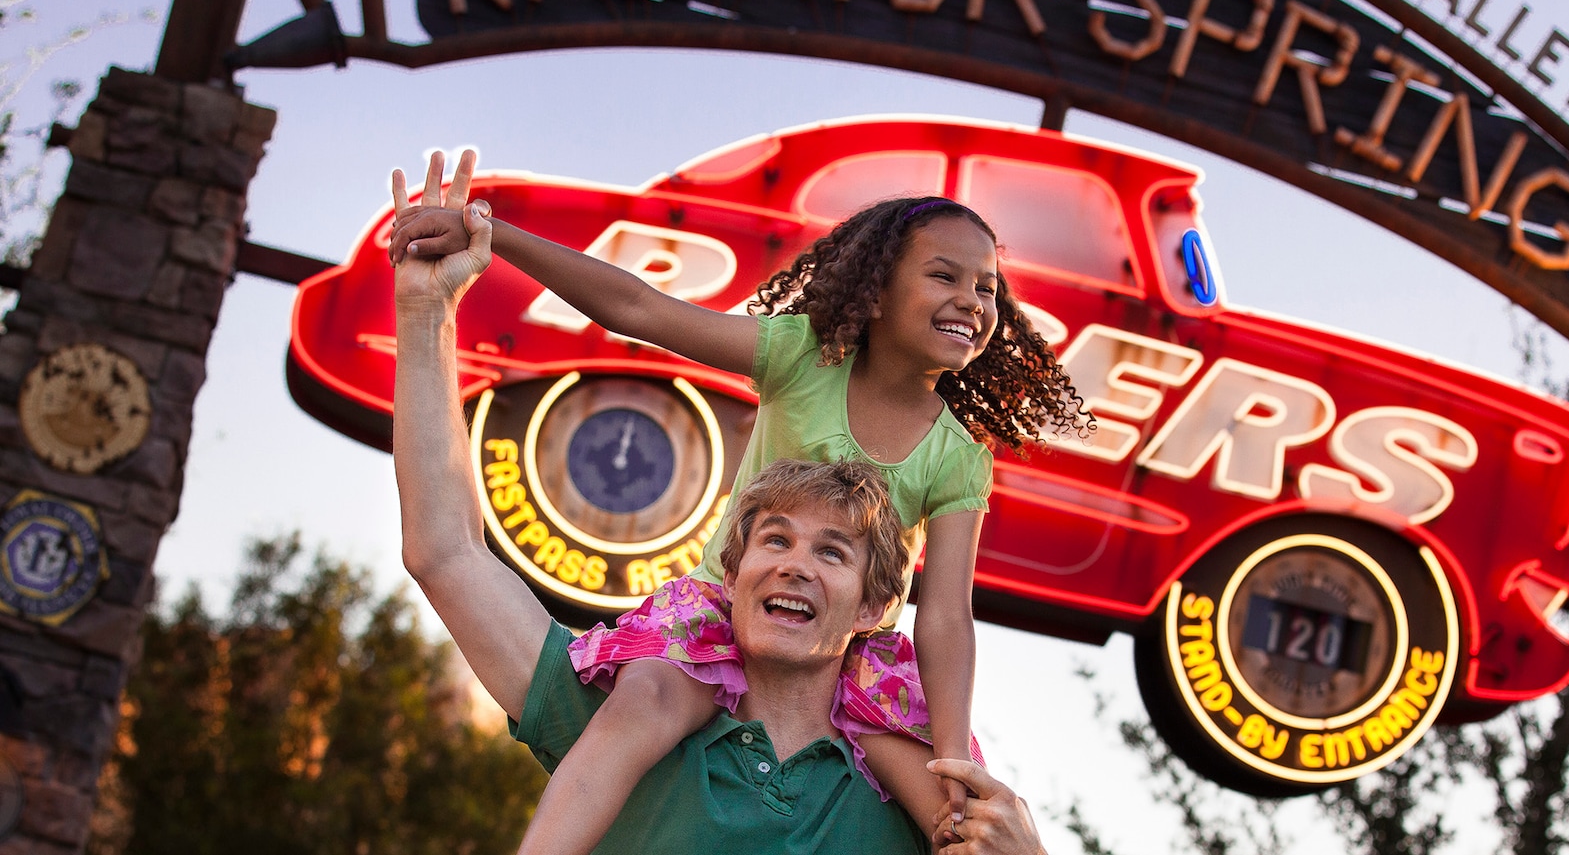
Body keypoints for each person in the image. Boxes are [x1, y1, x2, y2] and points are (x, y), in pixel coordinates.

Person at [389, 150, 1084, 850]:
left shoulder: (959, 456)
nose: (973, 299)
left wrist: (955, 767)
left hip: (864, 656)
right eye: (944, 275)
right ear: (876, 291)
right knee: (646, 701)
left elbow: (946, 618)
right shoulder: (802, 357)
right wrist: (491, 236)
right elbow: (640, 306)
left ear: (873, 597)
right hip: (712, 610)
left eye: (989, 288)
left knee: (958, 818)